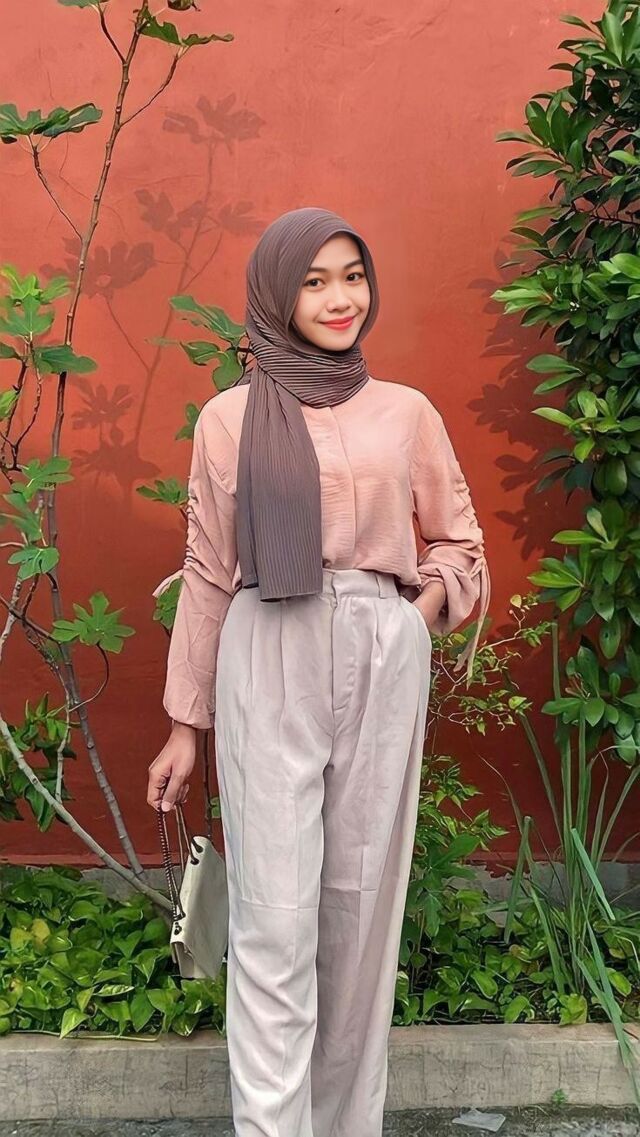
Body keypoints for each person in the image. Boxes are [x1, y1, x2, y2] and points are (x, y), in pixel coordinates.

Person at [147, 206, 490, 1137]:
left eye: (353, 276)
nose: (341, 298)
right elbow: (209, 568)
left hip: (381, 646)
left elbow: (459, 542)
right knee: (274, 916)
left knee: (359, 918)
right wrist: (185, 724)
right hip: (269, 645)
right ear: (275, 293)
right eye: (314, 281)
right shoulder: (228, 420)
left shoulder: (405, 412)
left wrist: (413, 619)